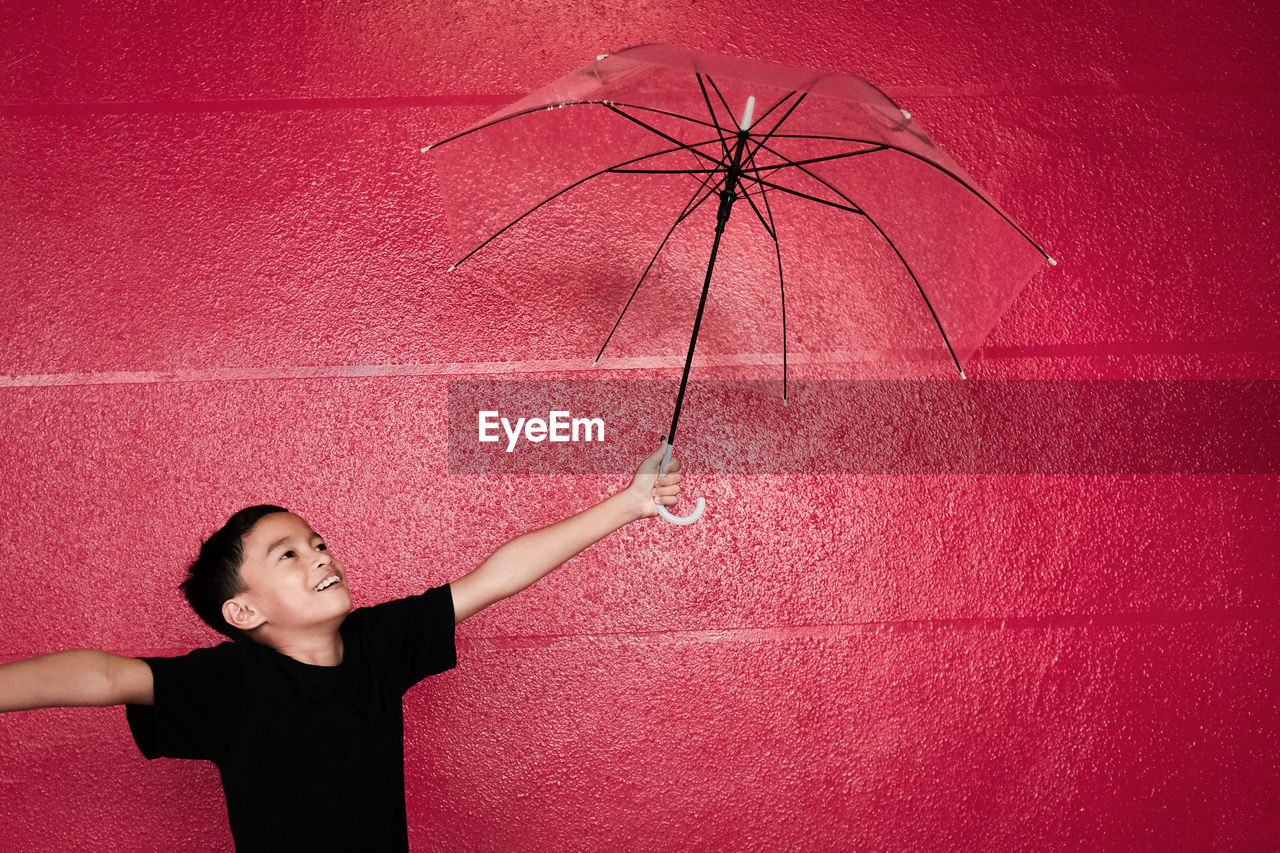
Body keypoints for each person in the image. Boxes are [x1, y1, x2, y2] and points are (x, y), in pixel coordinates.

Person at [0, 442, 684, 851]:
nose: (320, 555)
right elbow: (107, 675)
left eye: (317, 541)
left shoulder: (378, 644)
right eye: (288, 554)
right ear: (242, 609)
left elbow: (493, 579)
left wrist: (627, 504)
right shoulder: (232, 683)